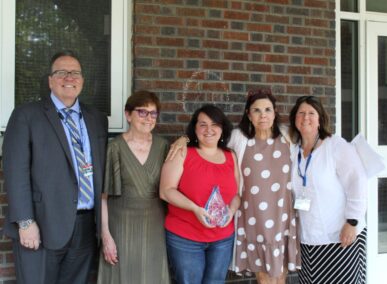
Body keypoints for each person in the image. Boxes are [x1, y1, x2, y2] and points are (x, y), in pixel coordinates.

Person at [2, 50, 108, 284]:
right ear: (50, 80)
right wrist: (26, 222)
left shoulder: (96, 118)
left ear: (82, 80)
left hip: (85, 227)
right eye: (61, 72)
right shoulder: (26, 116)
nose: (69, 78)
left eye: (75, 73)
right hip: (42, 225)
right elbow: (15, 171)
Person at [289, 96, 367, 283]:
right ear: (294, 118)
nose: (305, 117)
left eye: (311, 113)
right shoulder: (294, 150)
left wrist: (353, 221)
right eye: (301, 113)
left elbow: (357, 181)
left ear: (320, 119)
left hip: (340, 236)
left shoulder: (335, 145)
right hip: (309, 239)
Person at [160, 104, 241, 284]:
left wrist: (232, 210)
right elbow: (166, 191)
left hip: (222, 238)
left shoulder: (231, 156)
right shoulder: (182, 152)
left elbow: (236, 194)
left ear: (222, 128)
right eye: (202, 124)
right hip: (185, 237)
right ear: (194, 129)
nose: (209, 130)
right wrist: (194, 208)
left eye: (214, 124)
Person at [97, 90, 170, 283]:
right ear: (128, 115)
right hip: (120, 226)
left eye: (153, 113)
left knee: (152, 275)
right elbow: (103, 197)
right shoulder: (114, 147)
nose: (148, 118)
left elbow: (193, 141)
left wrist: (184, 140)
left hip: (155, 225)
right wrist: (106, 236)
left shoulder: (164, 146)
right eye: (142, 112)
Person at [229, 89, 300, 284]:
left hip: (283, 214)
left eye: (268, 109)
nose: (263, 115)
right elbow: (209, 145)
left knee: (280, 275)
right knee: (264, 275)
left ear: (275, 112)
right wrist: (185, 141)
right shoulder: (238, 138)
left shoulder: (288, 136)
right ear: (248, 114)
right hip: (254, 216)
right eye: (257, 110)